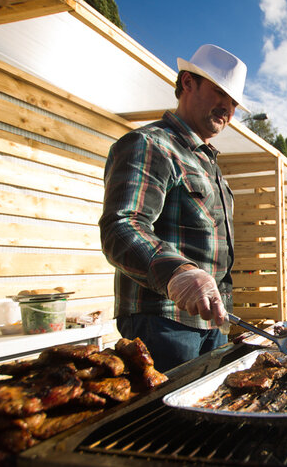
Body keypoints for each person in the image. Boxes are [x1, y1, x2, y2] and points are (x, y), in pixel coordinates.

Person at [99, 44, 248, 372]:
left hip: (212, 324)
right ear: (187, 83)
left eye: (233, 101)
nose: (227, 106)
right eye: (219, 92)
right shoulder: (151, 144)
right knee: (169, 421)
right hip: (163, 323)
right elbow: (121, 226)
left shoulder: (208, 162)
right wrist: (178, 272)